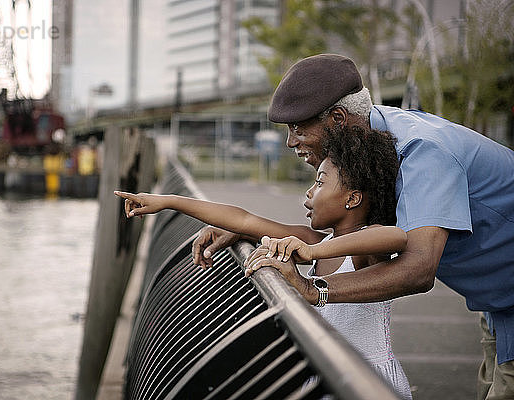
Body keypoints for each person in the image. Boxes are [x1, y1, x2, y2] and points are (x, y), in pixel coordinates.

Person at [192, 54, 514, 399]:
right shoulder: (374, 142)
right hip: (498, 299)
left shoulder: (422, 151)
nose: (290, 142)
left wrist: (313, 289)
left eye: (299, 128)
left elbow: (418, 269)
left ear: (338, 119)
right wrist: (247, 231)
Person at [116, 124, 413, 398]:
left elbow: (395, 237)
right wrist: (169, 201)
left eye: (320, 183)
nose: (309, 193)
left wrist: (313, 254)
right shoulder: (315, 238)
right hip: (328, 371)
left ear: (353, 198)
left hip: (367, 380)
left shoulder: (360, 247)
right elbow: (243, 219)